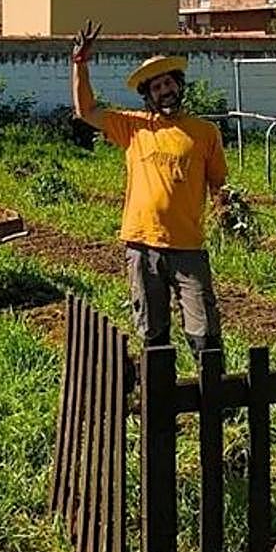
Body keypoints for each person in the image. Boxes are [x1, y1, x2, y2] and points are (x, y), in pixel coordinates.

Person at [70, 20, 227, 355]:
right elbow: (86, 110)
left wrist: (227, 211)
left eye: (168, 83)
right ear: (148, 97)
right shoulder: (133, 128)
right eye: (156, 88)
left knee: (204, 331)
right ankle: (161, 400)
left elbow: (219, 185)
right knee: (153, 332)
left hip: (188, 247)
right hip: (142, 245)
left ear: (179, 86)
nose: (164, 91)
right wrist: (80, 64)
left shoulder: (204, 132)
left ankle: (216, 403)